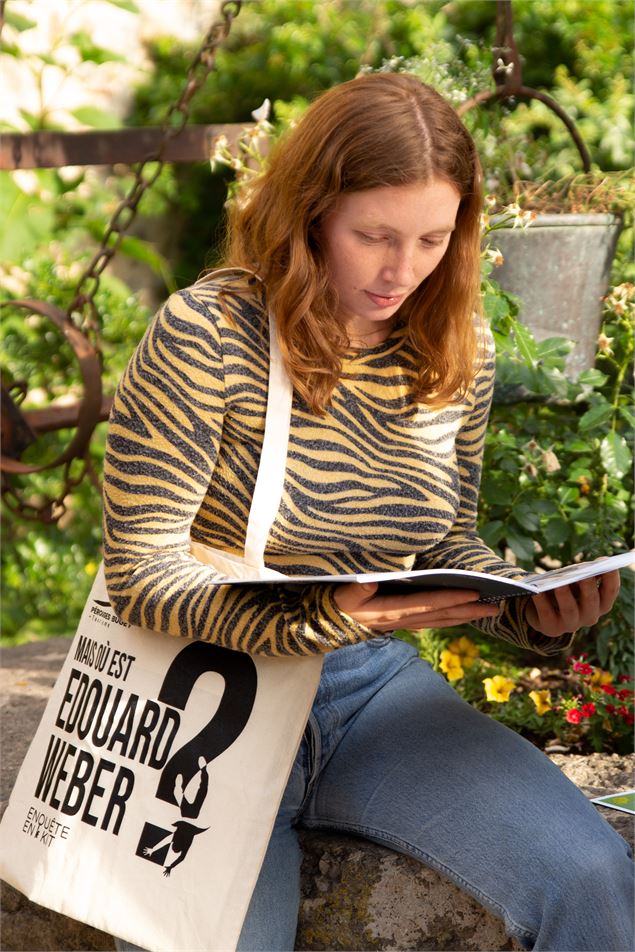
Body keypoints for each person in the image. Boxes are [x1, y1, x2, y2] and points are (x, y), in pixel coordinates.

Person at [104, 73, 633, 952]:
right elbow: (142, 574)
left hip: (367, 695)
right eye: (373, 236)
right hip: (201, 701)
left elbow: (444, 541)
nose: (402, 269)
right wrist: (319, 615)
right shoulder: (208, 334)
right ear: (311, 213)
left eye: (432, 238)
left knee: (592, 881)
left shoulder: (456, 342)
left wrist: (532, 608)